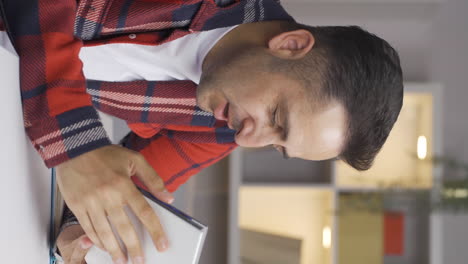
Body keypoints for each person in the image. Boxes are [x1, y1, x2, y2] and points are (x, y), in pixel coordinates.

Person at [0, 0, 403, 263]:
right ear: (291, 44)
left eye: (276, 146)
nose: (249, 139)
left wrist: (87, 231)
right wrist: (77, 145)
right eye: (277, 117)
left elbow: (136, 187)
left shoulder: (223, 127)